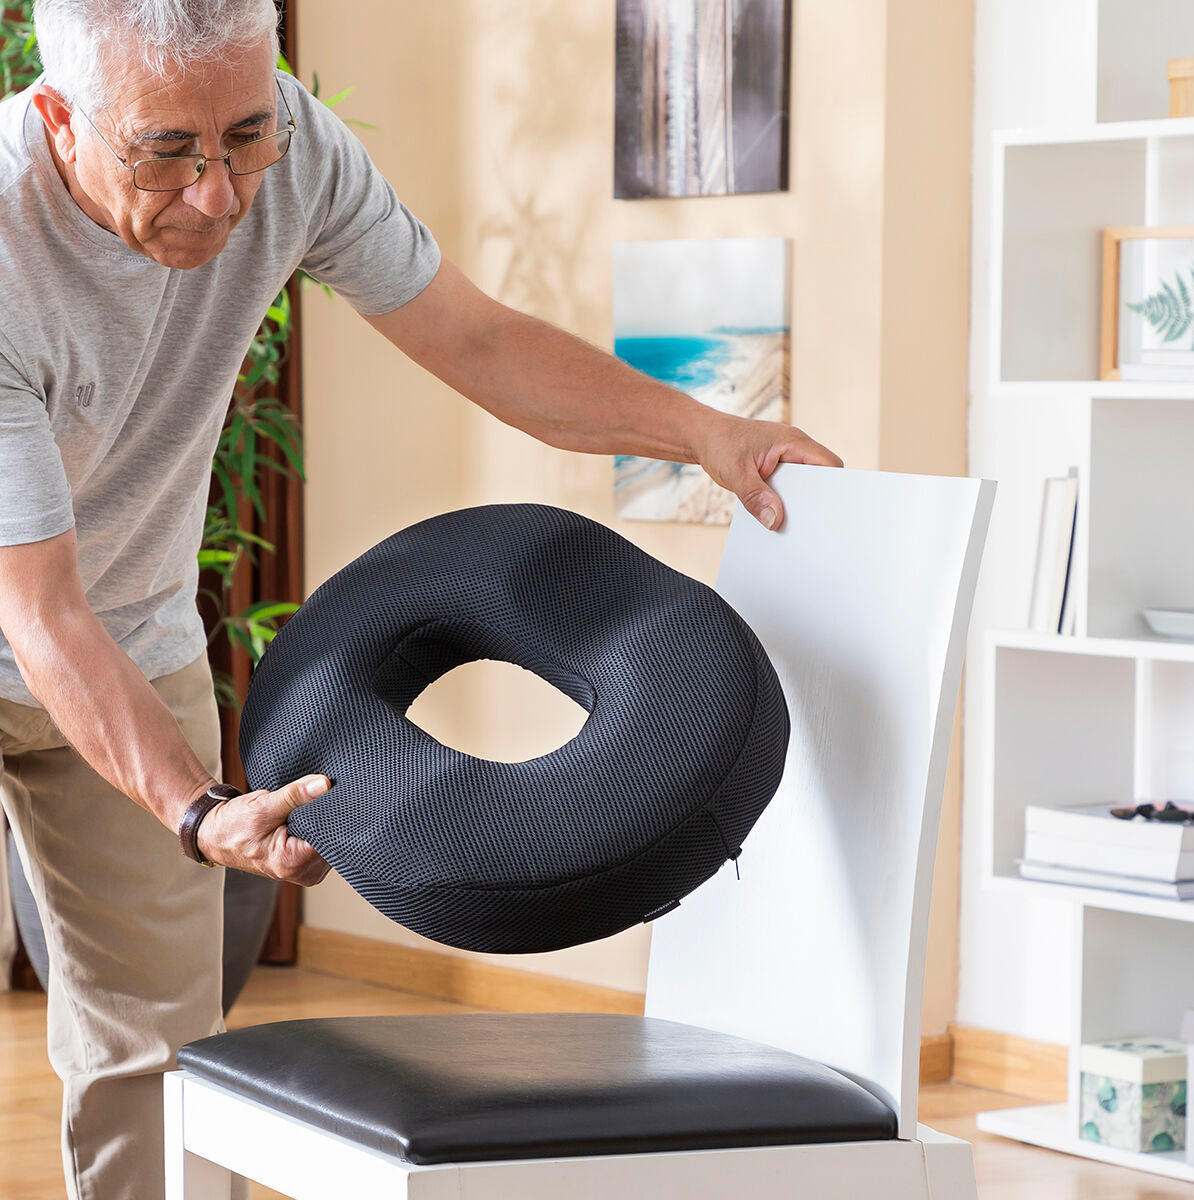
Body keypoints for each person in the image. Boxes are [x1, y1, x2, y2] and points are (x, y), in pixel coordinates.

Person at [0, 1, 843, 1196]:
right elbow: (37, 614)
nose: (221, 195)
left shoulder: (288, 148)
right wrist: (195, 811)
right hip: (46, 612)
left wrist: (705, 430)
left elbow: (481, 342)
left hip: (131, 631)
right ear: (58, 117)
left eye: (244, 135)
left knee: (157, 1056)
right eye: (167, 152)